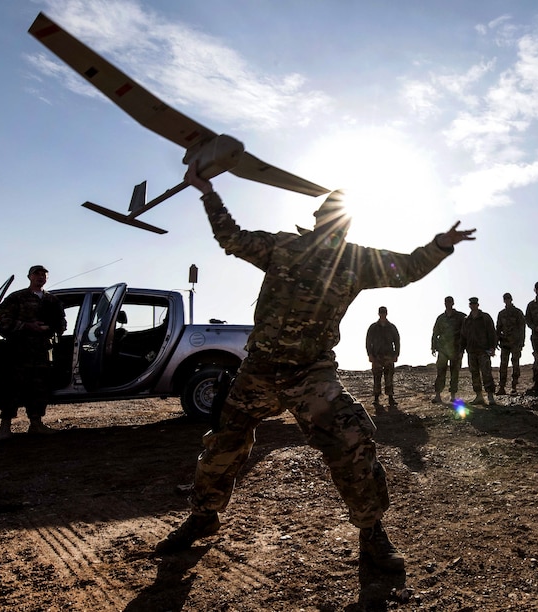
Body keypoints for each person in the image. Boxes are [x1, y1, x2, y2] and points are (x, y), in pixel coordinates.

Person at [154, 163, 476, 573]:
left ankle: (372, 534)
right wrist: (207, 192)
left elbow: (408, 269)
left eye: (340, 222)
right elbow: (231, 239)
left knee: (351, 442)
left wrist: (441, 244)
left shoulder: (357, 262)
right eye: (328, 219)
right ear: (317, 220)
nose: (333, 228)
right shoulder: (283, 247)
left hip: (311, 374)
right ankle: (203, 516)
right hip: (260, 371)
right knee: (223, 443)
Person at [0, 265, 67, 440]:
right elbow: (1, 319)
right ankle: (5, 427)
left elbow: (62, 323)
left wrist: (50, 328)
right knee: (13, 387)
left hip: (42, 350)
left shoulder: (52, 301)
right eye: (37, 274)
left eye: (44, 275)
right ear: (29, 277)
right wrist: (26, 326)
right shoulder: (17, 298)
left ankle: (36, 424)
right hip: (19, 350)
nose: (40, 277)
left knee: (39, 388)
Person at [460, 297, 498, 406]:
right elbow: (463, 336)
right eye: (471, 304)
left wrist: (492, 347)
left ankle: (490, 396)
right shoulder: (467, 320)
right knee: (474, 374)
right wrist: (461, 350)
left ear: (478, 305)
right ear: (469, 305)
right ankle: (479, 396)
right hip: (471, 351)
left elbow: (492, 333)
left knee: (486, 373)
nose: (473, 305)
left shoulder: (485, 318)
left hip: (483, 350)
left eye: (475, 303)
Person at [430, 296, 466, 404]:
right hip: (443, 349)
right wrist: (433, 346)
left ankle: (453, 396)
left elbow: (466, 332)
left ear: (453, 303)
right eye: (446, 302)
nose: (448, 304)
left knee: (455, 372)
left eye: (450, 302)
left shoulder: (460, 317)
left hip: (456, 349)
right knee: (441, 371)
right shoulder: (441, 318)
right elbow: (435, 332)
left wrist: (463, 348)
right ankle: (438, 395)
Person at [366, 306, 400, 409]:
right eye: (381, 312)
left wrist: (396, 354)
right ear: (379, 313)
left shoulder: (392, 327)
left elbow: (397, 341)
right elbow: (368, 342)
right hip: (377, 356)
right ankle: (376, 398)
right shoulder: (373, 327)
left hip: (388, 356)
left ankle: (390, 398)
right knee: (377, 377)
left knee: (389, 377)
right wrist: (370, 354)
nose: (382, 314)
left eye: (384, 312)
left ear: (386, 313)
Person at [495, 292, 526, 395]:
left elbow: (522, 328)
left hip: (515, 343)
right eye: (505, 299)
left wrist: (521, 342)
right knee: (503, 365)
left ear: (511, 299)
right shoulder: (501, 314)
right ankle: (502, 387)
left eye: (508, 298)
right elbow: (498, 328)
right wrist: (497, 340)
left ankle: (514, 386)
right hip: (504, 343)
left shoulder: (517, 313)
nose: (507, 300)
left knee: (515, 364)